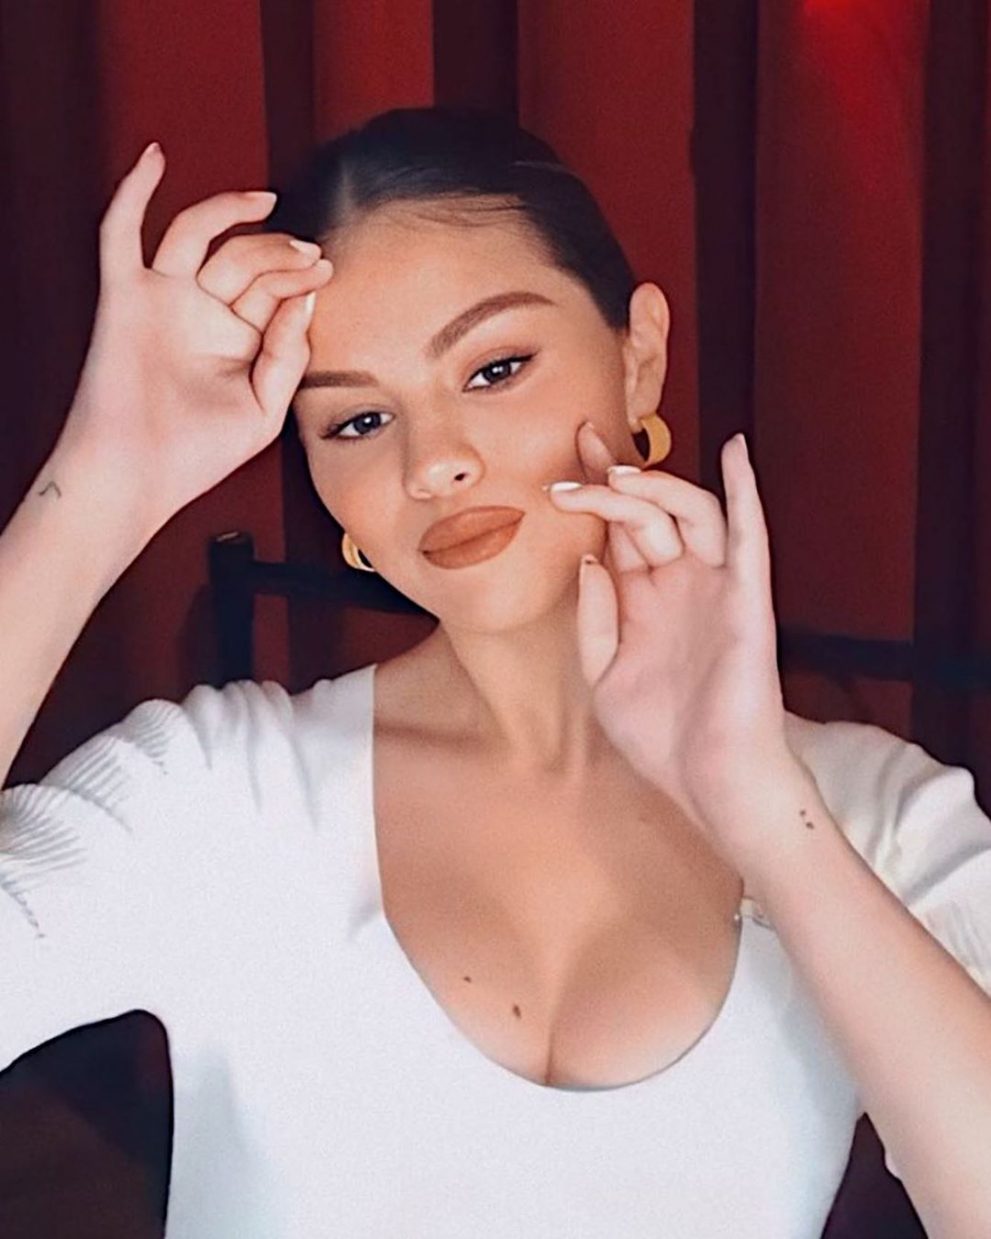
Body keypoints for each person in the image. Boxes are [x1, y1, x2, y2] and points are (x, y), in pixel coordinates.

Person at [1, 106, 990, 1239]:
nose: (435, 462)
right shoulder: (223, 795)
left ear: (639, 357)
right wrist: (106, 477)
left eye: (495, 367)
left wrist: (767, 817)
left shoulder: (872, 819)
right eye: (358, 420)